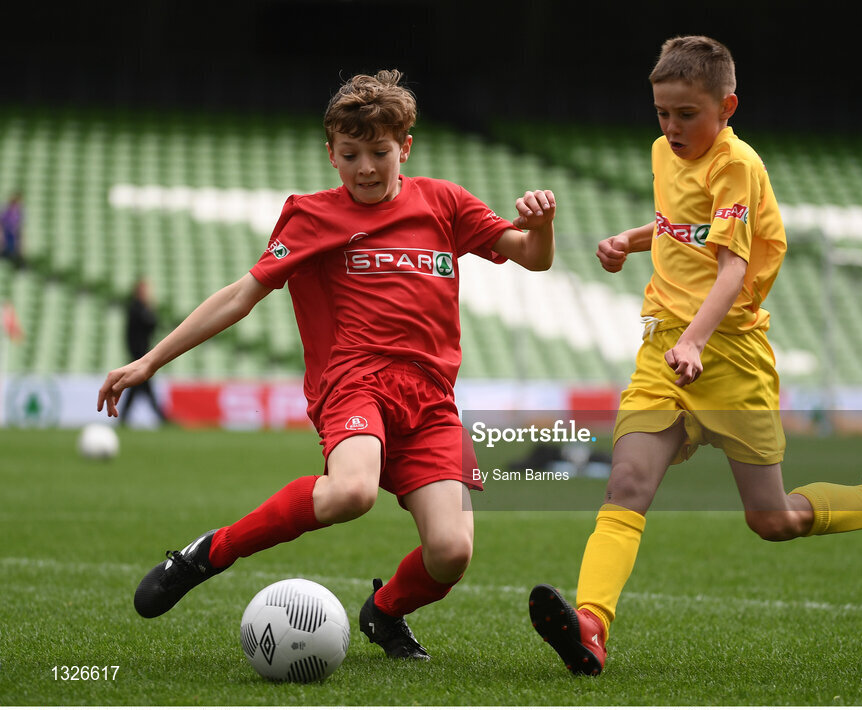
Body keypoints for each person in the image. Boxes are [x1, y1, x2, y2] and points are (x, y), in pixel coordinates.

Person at [97, 70, 557, 660]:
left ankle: (384, 612)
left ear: (405, 148)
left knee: (452, 553)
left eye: (379, 153)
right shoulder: (312, 216)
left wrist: (540, 228)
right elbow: (242, 294)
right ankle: (211, 553)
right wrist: (150, 360)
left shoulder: (444, 202)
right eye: (350, 154)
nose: (366, 167)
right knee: (352, 492)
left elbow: (532, 259)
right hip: (354, 382)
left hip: (431, 399)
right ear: (331, 155)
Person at [528, 36, 862, 676]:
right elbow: (677, 223)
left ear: (727, 107)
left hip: (732, 357)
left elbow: (732, 264)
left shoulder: (737, 164)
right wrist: (629, 242)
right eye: (661, 112)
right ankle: (590, 624)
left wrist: (697, 337)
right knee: (627, 483)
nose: (670, 127)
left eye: (685, 114)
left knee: (771, 519)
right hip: (663, 349)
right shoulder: (666, 152)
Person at [119, 278, 169, 426]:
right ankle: (162, 418)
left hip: (142, 353)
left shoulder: (140, 308)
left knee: (137, 388)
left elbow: (152, 326)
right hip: (139, 354)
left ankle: (124, 418)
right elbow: (149, 325)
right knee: (142, 387)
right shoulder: (135, 309)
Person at [1, 192, 24, 269]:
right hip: (8, 232)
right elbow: (3, 221)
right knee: (8, 248)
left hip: (14, 232)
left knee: (14, 248)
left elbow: (19, 223)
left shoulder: (19, 211)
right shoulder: (7, 210)